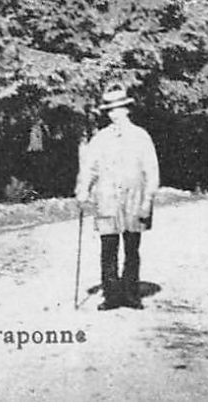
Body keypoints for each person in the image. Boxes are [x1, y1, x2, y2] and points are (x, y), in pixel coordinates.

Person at [75, 84, 160, 310]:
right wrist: (83, 192)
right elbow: (89, 168)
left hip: (134, 199)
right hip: (107, 200)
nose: (115, 114)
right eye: (110, 110)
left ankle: (131, 295)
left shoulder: (141, 137)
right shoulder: (100, 139)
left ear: (127, 109)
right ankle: (111, 296)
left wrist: (147, 201)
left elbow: (152, 171)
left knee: (132, 248)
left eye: (119, 109)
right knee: (108, 248)